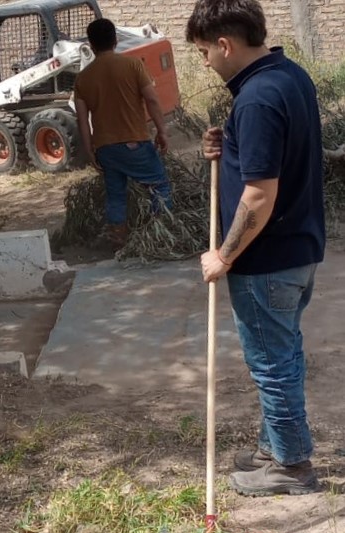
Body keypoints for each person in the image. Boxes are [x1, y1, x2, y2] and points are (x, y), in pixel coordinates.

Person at [188, 0, 325, 496]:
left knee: (271, 362)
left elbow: (259, 196)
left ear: (225, 45)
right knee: (283, 352)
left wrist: (223, 255)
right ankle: (276, 444)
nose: (205, 62)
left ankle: (291, 467)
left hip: (268, 258)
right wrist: (231, 145)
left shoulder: (258, 99)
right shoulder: (288, 77)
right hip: (298, 248)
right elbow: (278, 152)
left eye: (205, 52)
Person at [73, 18, 172, 247]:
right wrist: (162, 131)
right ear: (116, 40)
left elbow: (81, 120)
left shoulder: (83, 78)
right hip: (134, 142)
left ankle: (118, 236)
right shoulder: (133, 65)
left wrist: (90, 151)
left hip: (106, 148)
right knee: (159, 185)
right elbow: (152, 100)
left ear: (91, 44)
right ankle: (164, 231)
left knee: (116, 193)